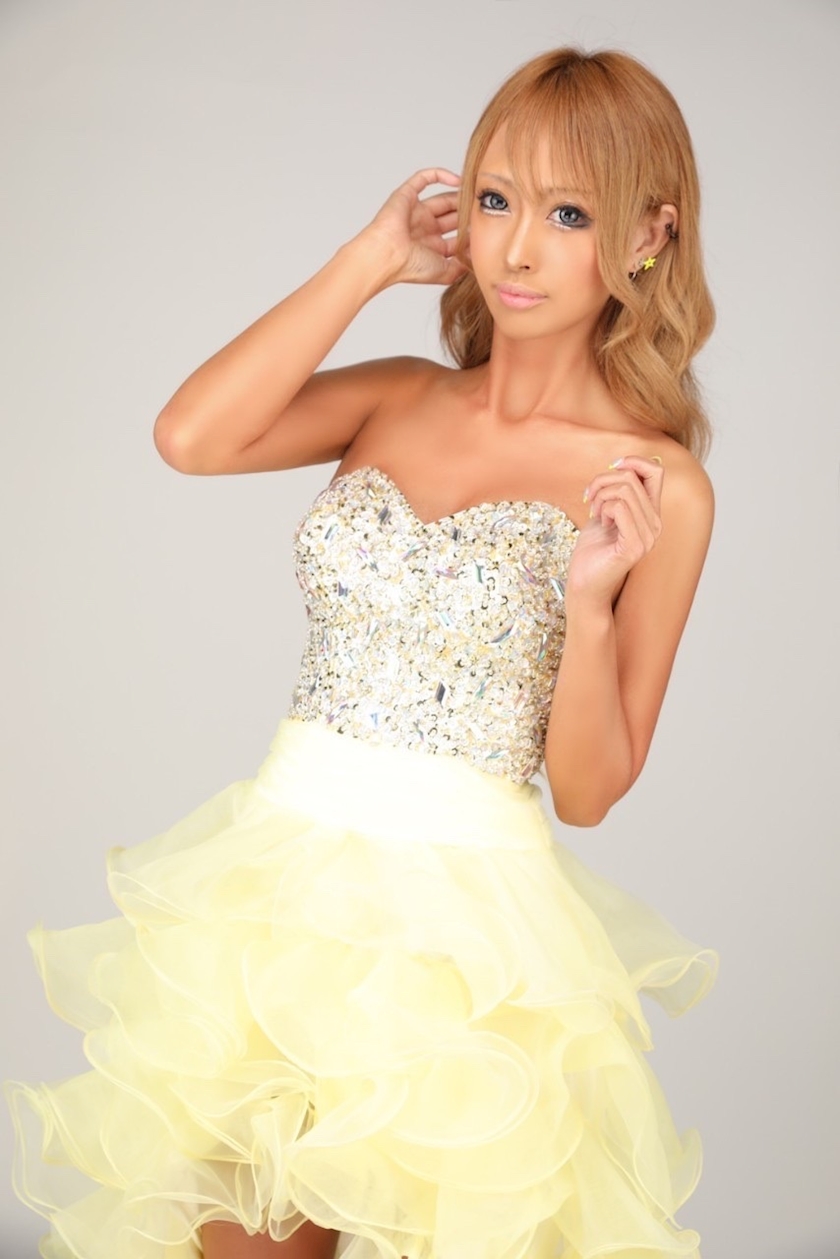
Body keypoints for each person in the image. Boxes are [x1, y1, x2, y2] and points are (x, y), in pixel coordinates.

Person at [4, 45, 720, 1259]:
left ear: (649, 236)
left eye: (570, 215)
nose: (517, 249)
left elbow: (590, 791)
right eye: (495, 199)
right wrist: (370, 258)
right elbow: (189, 436)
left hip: (464, 938)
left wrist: (591, 606)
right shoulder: (397, 396)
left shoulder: (659, 487)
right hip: (280, 894)